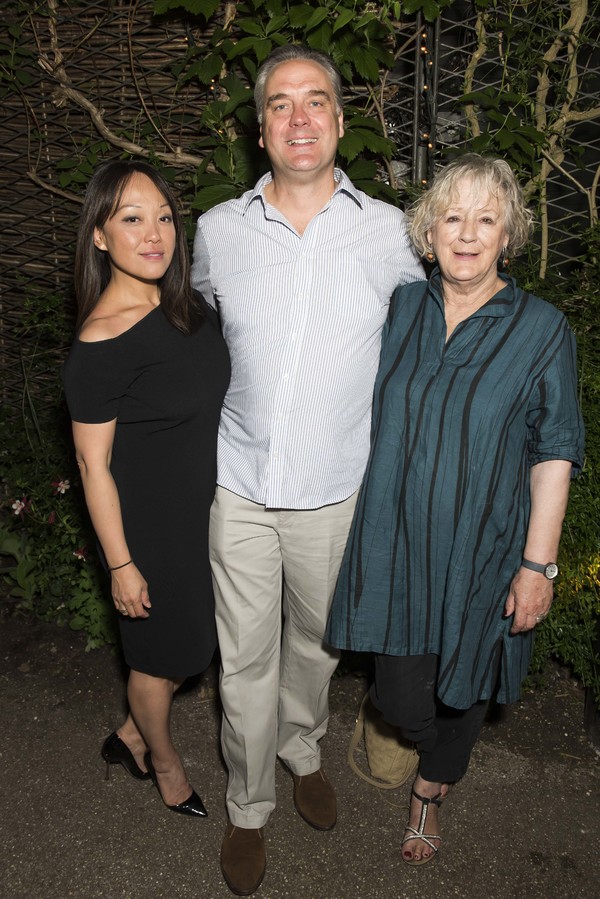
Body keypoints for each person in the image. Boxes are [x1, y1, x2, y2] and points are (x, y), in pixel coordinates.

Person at [191, 43, 424, 895]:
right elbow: (202, 336)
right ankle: (248, 806)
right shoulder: (217, 232)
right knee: (242, 658)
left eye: (315, 100)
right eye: (281, 103)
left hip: (336, 492)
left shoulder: (392, 231)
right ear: (260, 129)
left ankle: (301, 750)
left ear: (338, 119)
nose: (299, 117)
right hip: (240, 486)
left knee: (319, 647)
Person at [326, 154, 584, 865]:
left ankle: (430, 792)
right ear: (428, 229)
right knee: (405, 698)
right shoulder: (399, 308)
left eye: (486, 218)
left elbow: (554, 453)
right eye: (452, 216)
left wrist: (539, 565)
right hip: (396, 541)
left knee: (466, 681)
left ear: (509, 236)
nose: (467, 233)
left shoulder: (542, 330)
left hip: (485, 546)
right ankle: (403, 734)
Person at [62, 160, 230, 818]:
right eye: (131, 218)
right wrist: (122, 565)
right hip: (153, 530)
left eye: (163, 215)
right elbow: (91, 465)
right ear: (99, 235)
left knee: (201, 645)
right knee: (163, 660)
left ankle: (132, 729)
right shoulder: (100, 343)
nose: (154, 232)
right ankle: (160, 759)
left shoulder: (183, 305)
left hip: (209, 511)